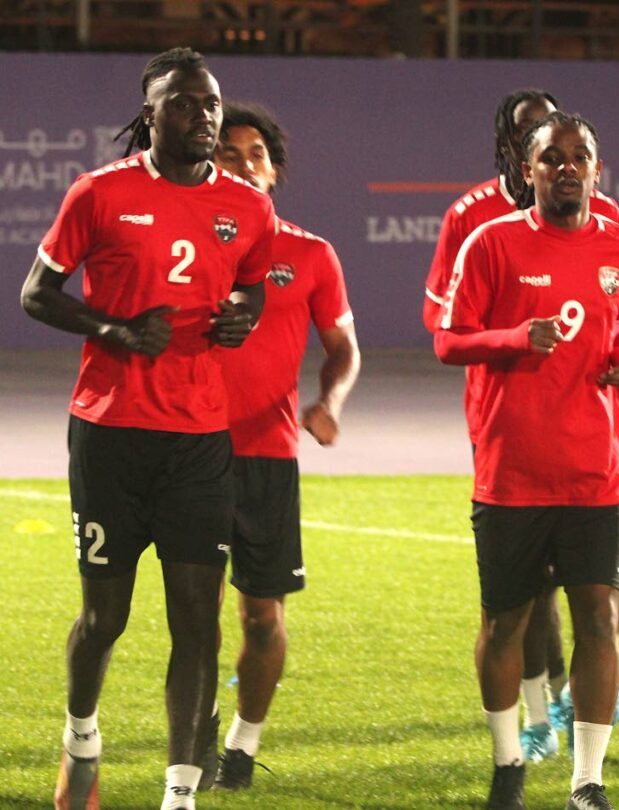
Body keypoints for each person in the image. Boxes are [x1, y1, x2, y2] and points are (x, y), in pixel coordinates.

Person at [20, 48, 275, 810]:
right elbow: (37, 293)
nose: (203, 117)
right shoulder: (99, 194)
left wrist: (242, 318)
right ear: (151, 114)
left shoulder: (250, 208)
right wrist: (116, 330)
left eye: (211, 104)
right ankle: (82, 737)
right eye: (185, 104)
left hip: (199, 438)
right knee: (105, 619)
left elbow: (254, 287)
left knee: (196, 621)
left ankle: (179, 795)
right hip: (110, 434)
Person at [421, 88, 619, 764]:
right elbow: (446, 332)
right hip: (511, 450)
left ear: (596, 166)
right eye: (549, 155)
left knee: (604, 603)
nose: (567, 168)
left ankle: (585, 761)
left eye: (578, 156)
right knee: (519, 610)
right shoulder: (479, 229)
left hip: (600, 455)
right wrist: (516, 338)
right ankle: (526, 730)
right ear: (523, 162)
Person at [210, 102, 360, 788]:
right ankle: (195, 736)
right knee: (194, 612)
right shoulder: (193, 247)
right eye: (229, 153)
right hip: (189, 449)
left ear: (275, 171)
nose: (244, 164)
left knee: (263, 617)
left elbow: (343, 349)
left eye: (256, 155)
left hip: (267, 456)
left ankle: (241, 746)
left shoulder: (309, 254)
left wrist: (328, 401)